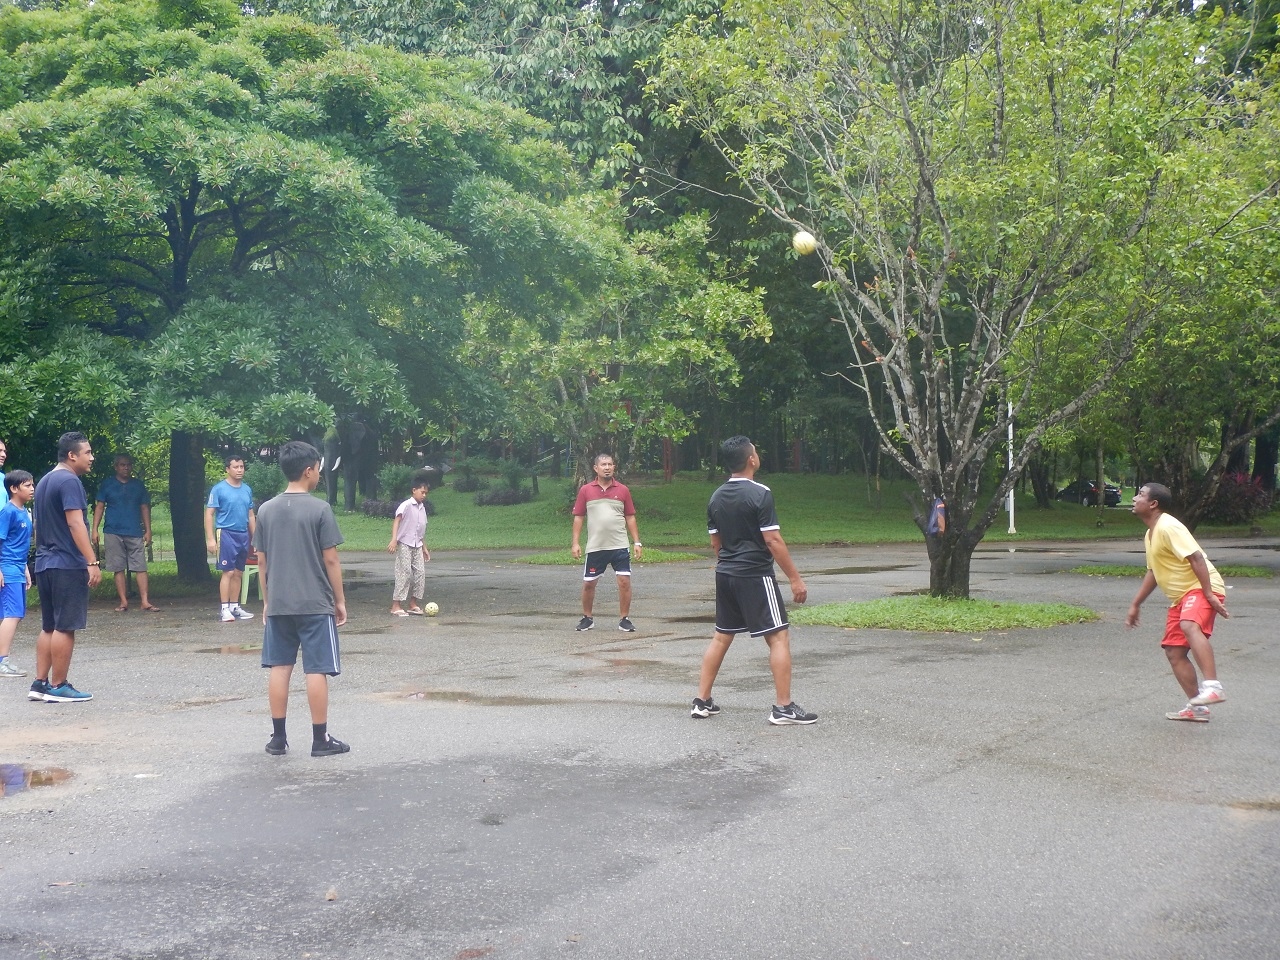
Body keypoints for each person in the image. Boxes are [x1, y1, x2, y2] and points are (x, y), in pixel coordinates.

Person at [693, 436, 816, 725]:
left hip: (725, 574)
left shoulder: (715, 496)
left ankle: (702, 701)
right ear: (751, 459)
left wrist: (731, 563)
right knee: (778, 636)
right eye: (756, 452)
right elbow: (772, 540)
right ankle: (783, 708)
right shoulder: (760, 493)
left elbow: (716, 543)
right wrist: (795, 579)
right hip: (755, 575)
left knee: (722, 636)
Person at [255, 440, 349, 757]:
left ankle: (278, 739)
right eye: (318, 469)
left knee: (279, 667)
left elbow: (262, 562)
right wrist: (339, 600)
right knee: (316, 669)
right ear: (308, 471)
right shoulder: (320, 509)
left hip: (279, 602)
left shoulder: (266, 510)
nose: (319, 474)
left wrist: (267, 601)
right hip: (314, 602)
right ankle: (320, 739)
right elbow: (331, 560)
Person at [1125, 482, 1229, 722]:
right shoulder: (1151, 534)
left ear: (1153, 504)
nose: (1134, 498)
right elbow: (1154, 572)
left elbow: (1196, 558)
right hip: (1182, 596)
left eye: (1140, 494)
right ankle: (1198, 708)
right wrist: (1136, 604)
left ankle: (1213, 687)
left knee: (1189, 625)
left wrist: (1209, 594)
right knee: (1174, 651)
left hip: (1200, 588)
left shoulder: (1168, 526)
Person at [29, 432, 101, 703]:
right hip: (66, 563)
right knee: (64, 626)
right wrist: (91, 561)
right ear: (72, 455)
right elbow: (75, 523)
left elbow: (39, 525)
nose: (92, 457)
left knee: (49, 626)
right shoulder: (70, 481)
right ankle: (59, 685)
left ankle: (39, 683)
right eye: (87, 453)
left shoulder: (45, 480)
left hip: (45, 562)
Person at [570, 453, 643, 632]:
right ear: (596, 468)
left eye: (610, 464)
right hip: (596, 546)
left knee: (624, 582)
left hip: (619, 545)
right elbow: (578, 517)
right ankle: (587, 618)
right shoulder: (586, 490)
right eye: (603, 465)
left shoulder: (623, 490)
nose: (607, 467)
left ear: (614, 467)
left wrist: (637, 542)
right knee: (589, 583)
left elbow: (630, 517)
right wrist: (575, 543)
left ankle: (624, 619)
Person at [92, 453, 158, 613]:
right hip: (112, 530)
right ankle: (123, 601)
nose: (126, 468)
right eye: (122, 465)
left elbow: (144, 507)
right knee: (118, 567)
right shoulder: (107, 484)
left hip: (134, 530)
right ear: (116, 467)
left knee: (140, 567)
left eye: (128, 465)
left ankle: (145, 601)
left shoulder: (138, 485)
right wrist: (94, 529)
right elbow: (100, 506)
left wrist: (148, 530)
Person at [205, 454, 256, 623]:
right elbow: (209, 514)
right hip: (226, 533)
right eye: (236, 467)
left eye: (241, 467)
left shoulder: (247, 489)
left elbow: (250, 514)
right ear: (228, 469)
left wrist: (256, 538)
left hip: (243, 534)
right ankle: (224, 608)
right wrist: (210, 539)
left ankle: (235, 606)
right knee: (228, 571)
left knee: (239, 572)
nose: (239, 470)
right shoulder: (219, 489)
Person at [0, 470, 35, 677]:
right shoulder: (8, 512)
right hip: (7, 568)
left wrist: (25, 569)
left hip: (18, 568)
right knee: (12, 614)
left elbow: (18, 544)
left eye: (32, 485)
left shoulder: (24, 512)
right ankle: (2, 662)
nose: (32, 489)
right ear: (14, 488)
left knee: (13, 615)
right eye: (27, 485)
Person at [387, 473, 431, 616]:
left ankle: (413, 604)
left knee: (420, 574)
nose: (424, 495)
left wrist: (424, 547)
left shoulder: (422, 508)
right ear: (414, 490)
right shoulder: (406, 505)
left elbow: (420, 530)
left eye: (426, 493)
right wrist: (394, 539)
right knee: (404, 572)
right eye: (422, 492)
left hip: (417, 545)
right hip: (405, 543)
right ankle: (396, 605)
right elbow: (397, 521)